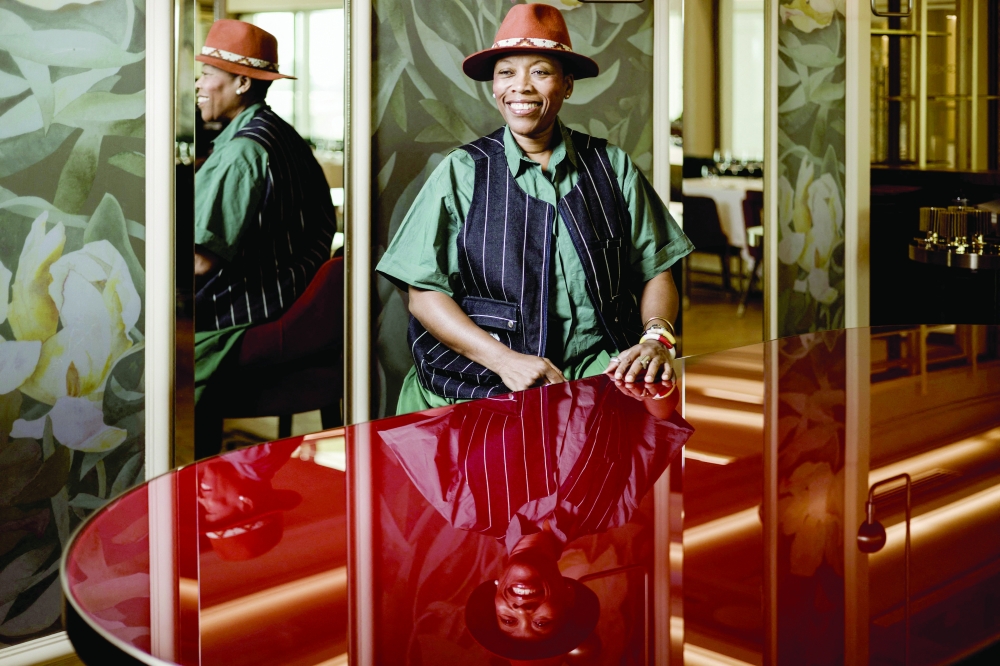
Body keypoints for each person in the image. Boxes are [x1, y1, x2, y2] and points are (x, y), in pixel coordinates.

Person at [376, 4, 694, 415]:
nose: (520, 87)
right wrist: (504, 361)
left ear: (567, 85)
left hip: (600, 377)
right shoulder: (461, 171)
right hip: (481, 383)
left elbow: (656, 269)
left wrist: (657, 338)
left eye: (540, 72)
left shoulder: (612, 166)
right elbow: (423, 293)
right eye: (506, 72)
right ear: (494, 86)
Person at [376, 375, 694, 659]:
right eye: (541, 622)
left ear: (495, 597)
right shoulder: (612, 509)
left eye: (508, 619)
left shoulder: (463, 508)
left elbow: (420, 417)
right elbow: (659, 419)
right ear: (568, 597)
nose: (522, 610)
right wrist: (655, 385)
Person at [192, 20, 337, 458]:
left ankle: (175, 481)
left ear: (240, 82)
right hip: (288, 298)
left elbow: (200, 261)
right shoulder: (282, 135)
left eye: (207, 73)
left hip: (253, 310)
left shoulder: (242, 152)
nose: (197, 84)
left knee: (151, 351)